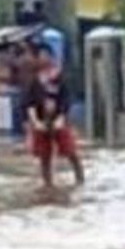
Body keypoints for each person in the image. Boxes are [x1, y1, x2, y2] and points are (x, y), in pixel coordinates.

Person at [26, 44, 84, 189]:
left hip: (59, 120)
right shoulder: (35, 80)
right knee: (44, 156)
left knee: (70, 151)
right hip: (42, 121)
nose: (43, 58)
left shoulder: (59, 77)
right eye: (40, 56)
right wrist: (35, 122)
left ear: (51, 57)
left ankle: (80, 180)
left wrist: (61, 118)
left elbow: (65, 101)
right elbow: (30, 103)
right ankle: (48, 184)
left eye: (46, 55)